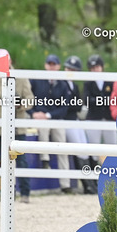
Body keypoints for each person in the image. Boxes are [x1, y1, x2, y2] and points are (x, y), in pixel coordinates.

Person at [0, 49, 34, 203]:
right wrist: (2, 94)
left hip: (17, 125)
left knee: (21, 160)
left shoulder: (21, 77)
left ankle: (25, 193)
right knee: (3, 161)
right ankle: (8, 193)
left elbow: (30, 99)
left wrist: (20, 105)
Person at [28, 54, 73, 193]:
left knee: (62, 145)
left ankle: (65, 183)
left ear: (58, 66)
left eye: (54, 64)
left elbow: (64, 108)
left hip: (55, 117)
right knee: (43, 128)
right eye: (49, 64)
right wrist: (33, 113)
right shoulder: (36, 80)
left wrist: (48, 115)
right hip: (40, 116)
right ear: (45, 65)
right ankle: (45, 159)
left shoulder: (63, 84)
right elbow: (27, 98)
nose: (51, 67)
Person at [63, 56, 96, 194]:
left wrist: (73, 105)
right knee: (79, 150)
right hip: (65, 120)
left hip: (74, 119)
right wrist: (73, 105)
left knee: (85, 148)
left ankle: (92, 183)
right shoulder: (62, 84)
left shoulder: (75, 86)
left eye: (73, 70)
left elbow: (77, 105)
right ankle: (86, 184)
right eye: (68, 68)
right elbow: (66, 105)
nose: (70, 71)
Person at [84, 55, 117, 165]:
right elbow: (87, 100)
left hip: (108, 118)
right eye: (92, 68)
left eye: (97, 67)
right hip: (94, 117)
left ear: (102, 67)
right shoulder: (88, 83)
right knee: (93, 150)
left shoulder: (110, 81)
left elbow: (114, 99)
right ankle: (93, 172)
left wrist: (98, 100)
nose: (95, 70)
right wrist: (104, 100)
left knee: (113, 148)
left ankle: (113, 172)